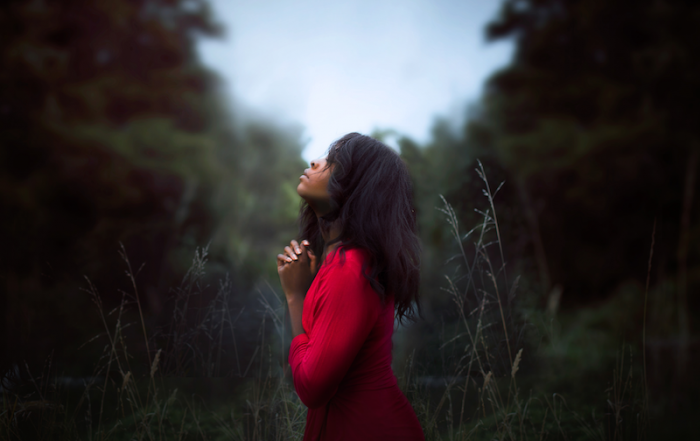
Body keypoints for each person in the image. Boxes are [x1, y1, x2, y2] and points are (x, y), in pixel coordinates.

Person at [276, 133, 425, 440]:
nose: (315, 161)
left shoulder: (351, 270)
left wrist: (294, 296)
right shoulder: (344, 263)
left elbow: (312, 388)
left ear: (357, 188)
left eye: (332, 163)